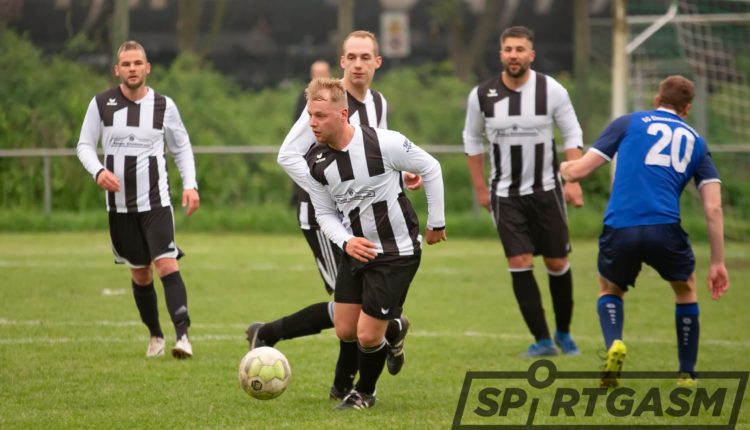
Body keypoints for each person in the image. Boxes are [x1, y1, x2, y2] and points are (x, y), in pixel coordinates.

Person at [246, 30, 419, 400]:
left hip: (363, 219)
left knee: (351, 310)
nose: (358, 64)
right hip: (324, 219)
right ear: (342, 61)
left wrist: (405, 174)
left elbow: (375, 156)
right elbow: (287, 155)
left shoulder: (378, 102)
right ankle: (364, 358)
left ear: (377, 62)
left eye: (365, 57)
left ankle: (345, 369)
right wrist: (325, 187)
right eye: (351, 57)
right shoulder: (328, 101)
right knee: (347, 310)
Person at [560, 75, 730, 387]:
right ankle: (687, 373)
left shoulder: (628, 122)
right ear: (687, 108)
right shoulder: (697, 142)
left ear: (656, 99)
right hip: (664, 227)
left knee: (610, 288)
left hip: (620, 226)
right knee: (685, 289)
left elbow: (581, 170)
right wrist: (718, 262)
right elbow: (713, 208)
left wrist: (564, 169)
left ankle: (614, 343)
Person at [304, 77, 446, 409]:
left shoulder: (384, 142)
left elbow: (431, 167)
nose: (313, 123)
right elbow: (323, 213)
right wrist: (346, 241)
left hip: (396, 252)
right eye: (310, 115)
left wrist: (436, 222)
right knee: (345, 330)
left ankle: (365, 393)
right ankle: (393, 329)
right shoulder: (315, 160)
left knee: (367, 335)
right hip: (355, 251)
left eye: (320, 116)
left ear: (342, 114)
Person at [462, 26, 584, 356]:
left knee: (557, 262)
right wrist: (480, 188)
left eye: (520, 49)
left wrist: (573, 179)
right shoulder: (482, 95)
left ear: (531, 55)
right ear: (501, 54)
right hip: (505, 195)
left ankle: (563, 332)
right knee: (519, 260)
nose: (514, 55)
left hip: (547, 190)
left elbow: (572, 134)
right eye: (508, 49)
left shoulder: (552, 90)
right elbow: (471, 139)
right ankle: (542, 340)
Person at [76, 40, 199, 359]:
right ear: (117, 70)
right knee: (140, 274)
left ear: (148, 68)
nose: (132, 69)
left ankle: (183, 338)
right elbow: (84, 145)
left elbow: (181, 147)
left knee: (167, 263)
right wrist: (98, 171)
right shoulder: (101, 104)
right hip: (120, 208)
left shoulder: (164, 105)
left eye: (137, 63)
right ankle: (155, 335)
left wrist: (190, 185)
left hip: (156, 203)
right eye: (126, 64)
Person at [290, 60, 332, 208]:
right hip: (309, 150)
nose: (319, 78)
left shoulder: (338, 95)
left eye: (323, 74)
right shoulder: (304, 97)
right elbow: (297, 123)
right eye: (316, 74)